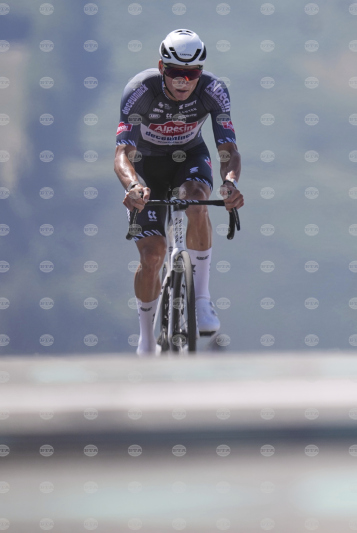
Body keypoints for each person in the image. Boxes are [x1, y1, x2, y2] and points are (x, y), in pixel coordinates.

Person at [114, 29, 244, 355]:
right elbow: (122, 154)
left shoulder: (213, 91)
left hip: (189, 158)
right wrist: (132, 186)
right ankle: (146, 340)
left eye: (192, 74)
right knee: (152, 255)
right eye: (175, 73)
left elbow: (228, 149)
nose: (184, 81)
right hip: (145, 169)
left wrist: (230, 183)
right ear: (161, 67)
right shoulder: (139, 90)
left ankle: (201, 299)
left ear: (201, 72)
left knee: (198, 201)